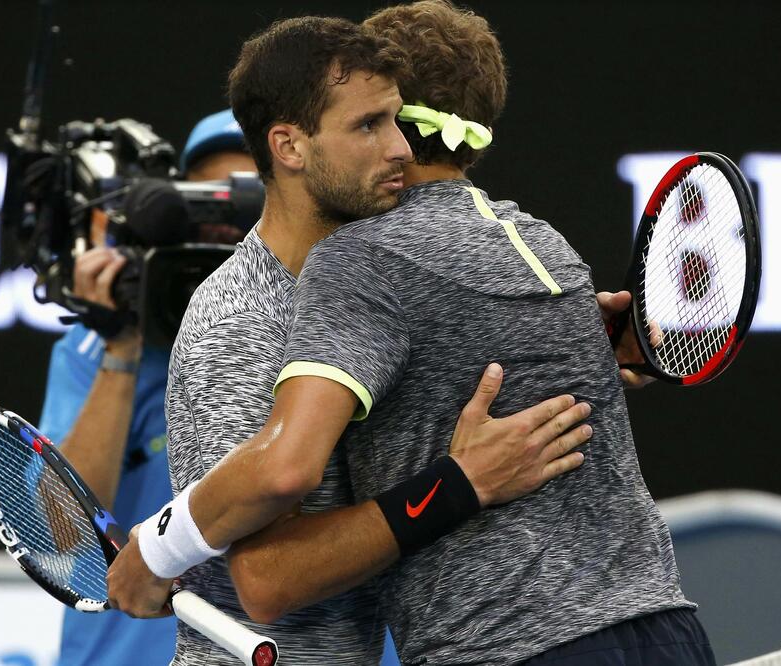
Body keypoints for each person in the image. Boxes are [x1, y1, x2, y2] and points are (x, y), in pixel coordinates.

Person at [108, 8, 694, 665]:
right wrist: (160, 546)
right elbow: (266, 573)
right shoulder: (239, 319)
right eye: (369, 124)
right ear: (291, 146)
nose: (398, 149)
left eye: (398, 120)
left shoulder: (384, 267)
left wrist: (559, 340)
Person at [37, 108, 254, 666]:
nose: (225, 230)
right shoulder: (100, 343)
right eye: (204, 207)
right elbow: (60, 535)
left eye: (252, 205)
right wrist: (121, 348)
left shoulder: (339, 328)